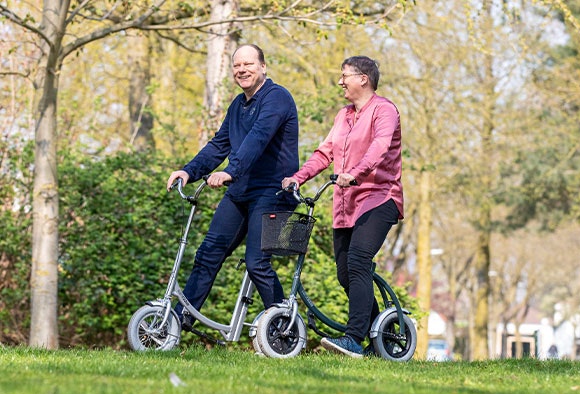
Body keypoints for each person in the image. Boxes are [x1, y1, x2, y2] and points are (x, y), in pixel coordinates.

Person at [167, 44, 299, 331]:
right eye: (237, 65)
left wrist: (229, 171)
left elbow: (258, 138)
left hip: (273, 192)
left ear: (263, 67)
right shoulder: (238, 105)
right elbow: (219, 144)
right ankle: (180, 320)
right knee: (208, 252)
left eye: (248, 64)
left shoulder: (277, 98)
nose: (242, 70)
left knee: (256, 263)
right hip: (242, 190)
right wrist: (189, 171)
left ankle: (283, 328)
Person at [282, 56, 403, 358]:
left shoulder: (384, 110)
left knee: (359, 261)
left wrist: (356, 173)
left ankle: (353, 338)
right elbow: (325, 153)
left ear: (363, 78)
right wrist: (297, 178)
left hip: (379, 198)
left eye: (344, 75)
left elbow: (380, 146)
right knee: (345, 274)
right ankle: (381, 339)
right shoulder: (343, 115)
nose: (340, 81)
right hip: (346, 205)